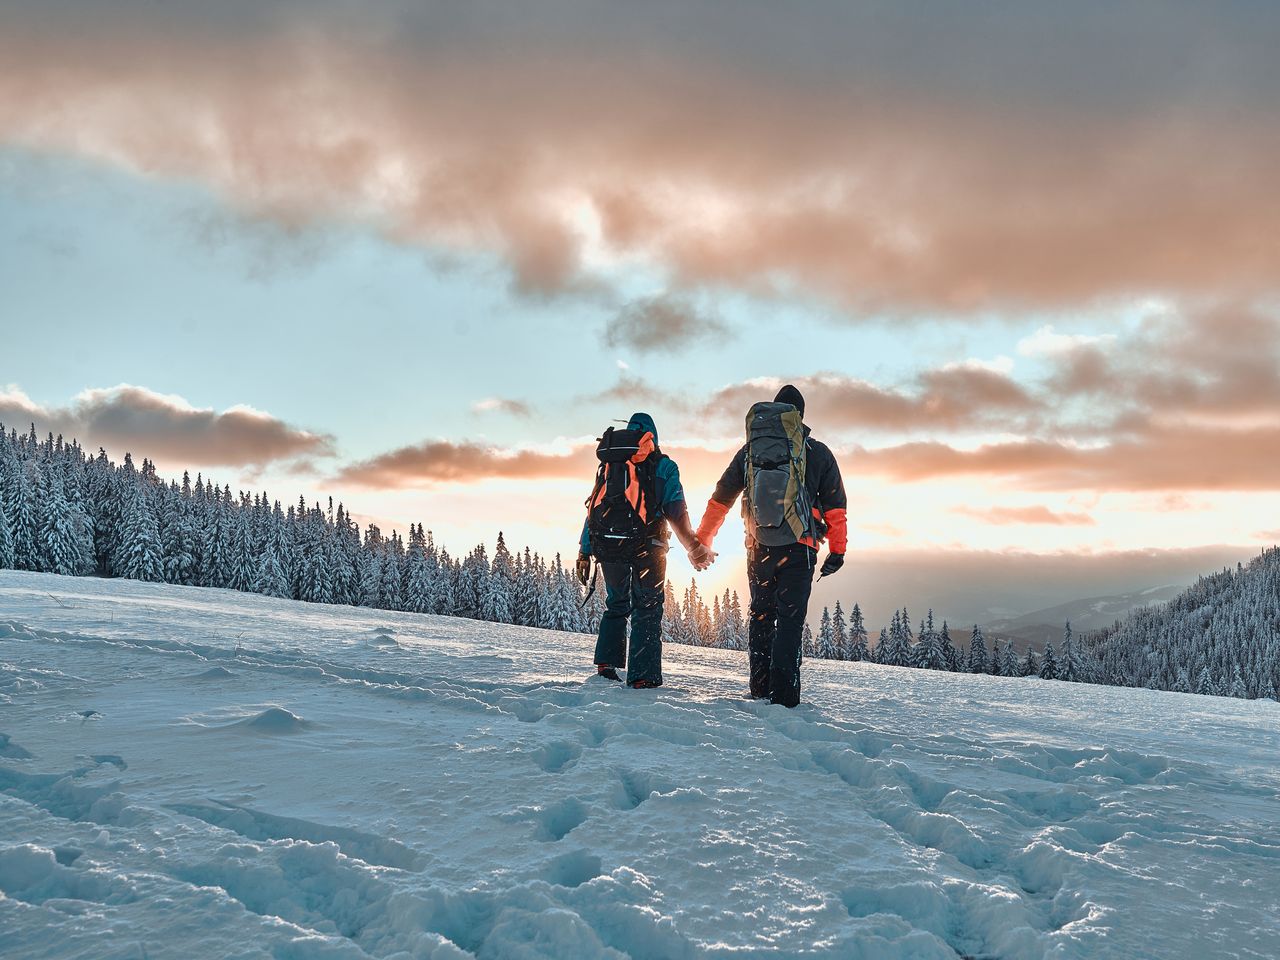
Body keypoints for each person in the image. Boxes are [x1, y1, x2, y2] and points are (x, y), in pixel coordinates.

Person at [694, 385, 846, 707]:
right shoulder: (817, 452)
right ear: (799, 416)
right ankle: (785, 698)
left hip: (758, 547)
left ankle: (760, 688)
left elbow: (720, 499)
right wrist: (838, 550)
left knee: (761, 616)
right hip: (800, 548)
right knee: (790, 621)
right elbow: (835, 509)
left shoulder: (751, 451)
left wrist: (704, 539)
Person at [578, 412, 712, 688]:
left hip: (608, 543)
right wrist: (694, 547)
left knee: (616, 603)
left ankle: (607, 664)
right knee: (647, 608)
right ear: (653, 436)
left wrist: (585, 550)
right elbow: (676, 510)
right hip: (648, 547)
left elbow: (594, 508)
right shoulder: (664, 466)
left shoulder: (612, 463)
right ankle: (642, 677)